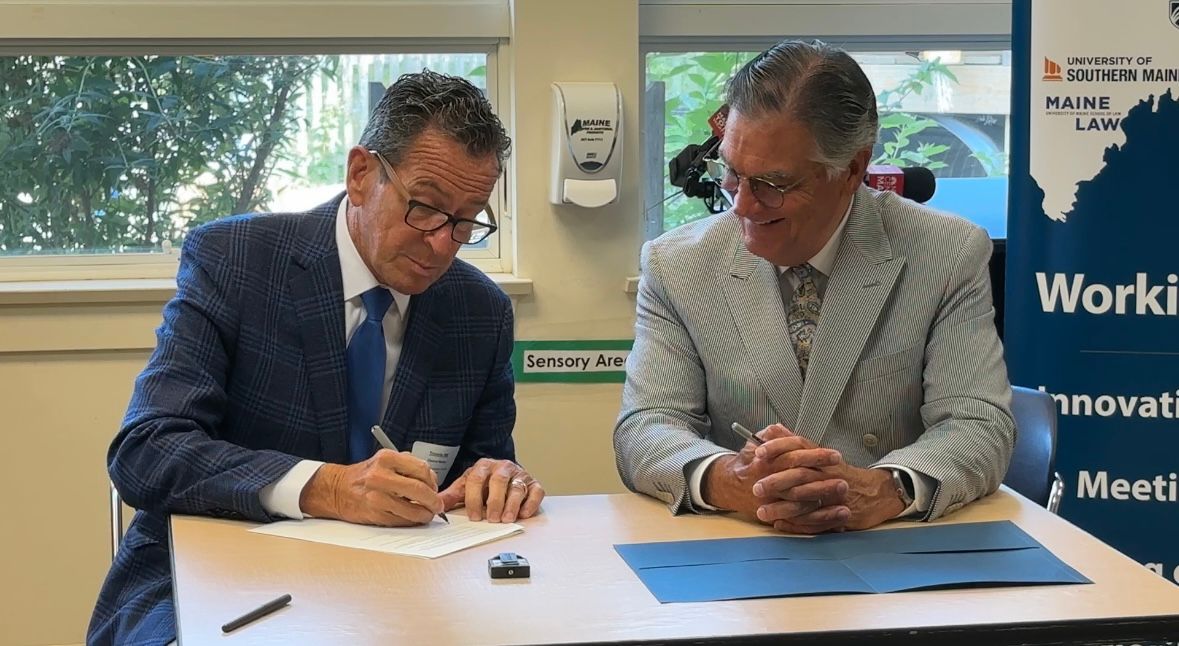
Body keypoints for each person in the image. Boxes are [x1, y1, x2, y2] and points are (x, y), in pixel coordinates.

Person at [88, 70, 545, 645]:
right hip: (216, 573)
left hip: (404, 592)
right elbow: (146, 450)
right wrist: (324, 488)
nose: (442, 244)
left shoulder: (479, 311)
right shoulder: (236, 262)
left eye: (467, 220)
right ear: (361, 175)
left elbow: (483, 468)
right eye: (426, 208)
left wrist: (499, 479)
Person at [614, 40, 1013, 535]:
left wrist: (884, 488)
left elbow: (978, 425)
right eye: (732, 174)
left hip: (887, 545)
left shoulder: (947, 252)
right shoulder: (678, 263)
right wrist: (729, 479)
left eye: (774, 185)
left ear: (852, 170)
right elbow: (647, 426)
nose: (742, 206)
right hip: (740, 545)